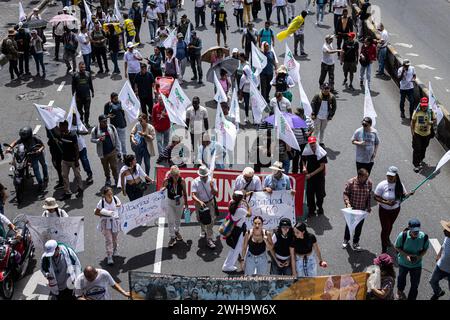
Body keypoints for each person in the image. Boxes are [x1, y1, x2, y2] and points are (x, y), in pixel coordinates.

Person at [374, 166, 414, 253]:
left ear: (396, 176)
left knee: (390, 225)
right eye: (388, 175)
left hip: (395, 210)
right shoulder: (382, 184)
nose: (389, 178)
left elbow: (403, 196)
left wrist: (409, 194)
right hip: (384, 210)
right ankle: (384, 248)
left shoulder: (400, 185)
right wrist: (386, 202)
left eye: (392, 176)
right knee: (385, 228)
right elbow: (376, 197)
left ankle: (387, 238)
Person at [395, 218, 430, 300]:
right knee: (401, 279)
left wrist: (419, 256)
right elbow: (397, 247)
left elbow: (425, 249)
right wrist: (406, 255)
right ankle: (399, 292)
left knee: (415, 285)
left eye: (417, 230)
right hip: (403, 263)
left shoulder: (424, 237)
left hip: (417, 265)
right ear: (409, 228)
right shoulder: (402, 235)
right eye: (414, 230)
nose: (416, 232)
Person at [6, 126, 49, 191]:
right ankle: (40, 183)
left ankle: (45, 176)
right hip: (31, 156)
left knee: (44, 164)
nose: (23, 138)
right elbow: (14, 143)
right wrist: (9, 148)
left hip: (39, 155)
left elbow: (43, 146)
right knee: (36, 170)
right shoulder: (22, 139)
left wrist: (39, 150)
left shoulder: (35, 138)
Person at [343, 168, 373, 251]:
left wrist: (369, 206)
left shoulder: (369, 183)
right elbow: (345, 194)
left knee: (359, 227)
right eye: (365, 177)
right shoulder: (351, 182)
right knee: (349, 225)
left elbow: (369, 196)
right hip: (352, 209)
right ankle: (346, 239)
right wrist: (347, 203)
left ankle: (356, 242)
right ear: (359, 176)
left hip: (362, 210)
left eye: (367, 177)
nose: (367, 179)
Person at [222, 191, 252, 272]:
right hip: (238, 231)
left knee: (238, 248)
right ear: (241, 199)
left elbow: (237, 200)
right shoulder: (241, 210)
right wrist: (247, 204)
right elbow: (249, 214)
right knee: (235, 249)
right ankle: (227, 266)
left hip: (234, 229)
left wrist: (243, 197)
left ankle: (235, 264)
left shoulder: (231, 203)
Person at [160, 165, 188, 247]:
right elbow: (162, 188)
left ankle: (176, 231)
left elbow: (185, 192)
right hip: (170, 201)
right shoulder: (167, 180)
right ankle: (172, 236)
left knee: (178, 218)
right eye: (174, 175)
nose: (176, 177)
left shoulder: (182, 180)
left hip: (180, 201)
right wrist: (163, 188)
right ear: (171, 175)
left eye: (177, 175)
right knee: (170, 219)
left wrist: (186, 204)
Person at [192, 166, 218, 249]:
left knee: (211, 220)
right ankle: (203, 229)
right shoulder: (195, 182)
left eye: (205, 176)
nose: (204, 177)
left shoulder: (212, 180)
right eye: (202, 176)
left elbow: (215, 193)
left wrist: (212, 187)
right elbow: (193, 195)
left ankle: (209, 239)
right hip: (199, 204)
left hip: (210, 202)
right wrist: (199, 201)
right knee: (200, 219)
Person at [91, 114, 121, 187]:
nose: (105, 123)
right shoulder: (95, 130)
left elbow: (117, 138)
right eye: (103, 121)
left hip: (112, 151)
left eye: (106, 121)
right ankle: (108, 179)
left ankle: (116, 179)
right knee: (106, 168)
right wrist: (98, 140)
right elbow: (92, 139)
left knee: (114, 166)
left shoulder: (111, 127)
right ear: (100, 122)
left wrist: (118, 150)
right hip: (103, 153)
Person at [301, 137, 327, 216]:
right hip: (310, 176)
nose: (313, 146)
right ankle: (311, 210)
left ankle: (320, 207)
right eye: (311, 144)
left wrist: (311, 174)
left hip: (319, 176)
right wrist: (304, 167)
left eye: (314, 144)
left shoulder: (321, 152)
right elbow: (303, 159)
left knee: (320, 194)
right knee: (310, 194)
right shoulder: (307, 151)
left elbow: (322, 166)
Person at [58, 121, 84, 200]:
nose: (60, 128)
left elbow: (76, 148)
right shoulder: (61, 134)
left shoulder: (72, 135)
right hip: (64, 160)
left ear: (66, 126)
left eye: (61, 126)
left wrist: (76, 160)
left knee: (77, 175)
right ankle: (67, 192)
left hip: (73, 160)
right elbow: (62, 144)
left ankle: (80, 189)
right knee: (64, 176)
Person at [411, 97, 436, 172]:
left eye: (425, 105)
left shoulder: (430, 112)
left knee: (424, 148)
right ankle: (416, 164)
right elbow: (413, 122)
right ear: (420, 104)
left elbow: (435, 119)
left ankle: (421, 158)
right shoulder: (417, 111)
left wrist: (431, 122)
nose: (424, 107)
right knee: (417, 149)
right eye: (422, 105)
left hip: (427, 134)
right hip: (417, 133)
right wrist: (412, 133)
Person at [429, 220, 450, 300]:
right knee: (432, 281)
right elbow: (443, 245)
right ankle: (438, 292)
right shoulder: (447, 237)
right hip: (440, 266)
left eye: (447, 230)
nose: (444, 231)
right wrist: (438, 255)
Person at [104, 92, 128, 158]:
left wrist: (124, 121)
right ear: (111, 99)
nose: (116, 100)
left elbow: (120, 111)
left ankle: (124, 153)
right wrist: (108, 116)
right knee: (116, 141)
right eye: (115, 99)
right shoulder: (107, 105)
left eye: (117, 98)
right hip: (114, 126)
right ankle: (118, 153)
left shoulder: (119, 103)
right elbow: (104, 115)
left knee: (123, 141)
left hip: (121, 124)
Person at [292, 106, 314, 174]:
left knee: (303, 159)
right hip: (296, 143)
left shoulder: (308, 119)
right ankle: (295, 174)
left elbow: (312, 128)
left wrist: (309, 133)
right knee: (295, 160)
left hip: (305, 143)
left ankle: (302, 173)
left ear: (302, 115)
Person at [72, 62, 94, 127]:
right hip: (79, 97)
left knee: (87, 110)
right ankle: (81, 121)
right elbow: (73, 85)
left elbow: (90, 83)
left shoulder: (88, 74)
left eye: (84, 67)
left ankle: (86, 122)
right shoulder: (75, 75)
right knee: (79, 111)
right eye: (82, 67)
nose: (83, 69)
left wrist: (92, 91)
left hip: (87, 96)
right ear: (79, 68)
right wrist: (73, 93)